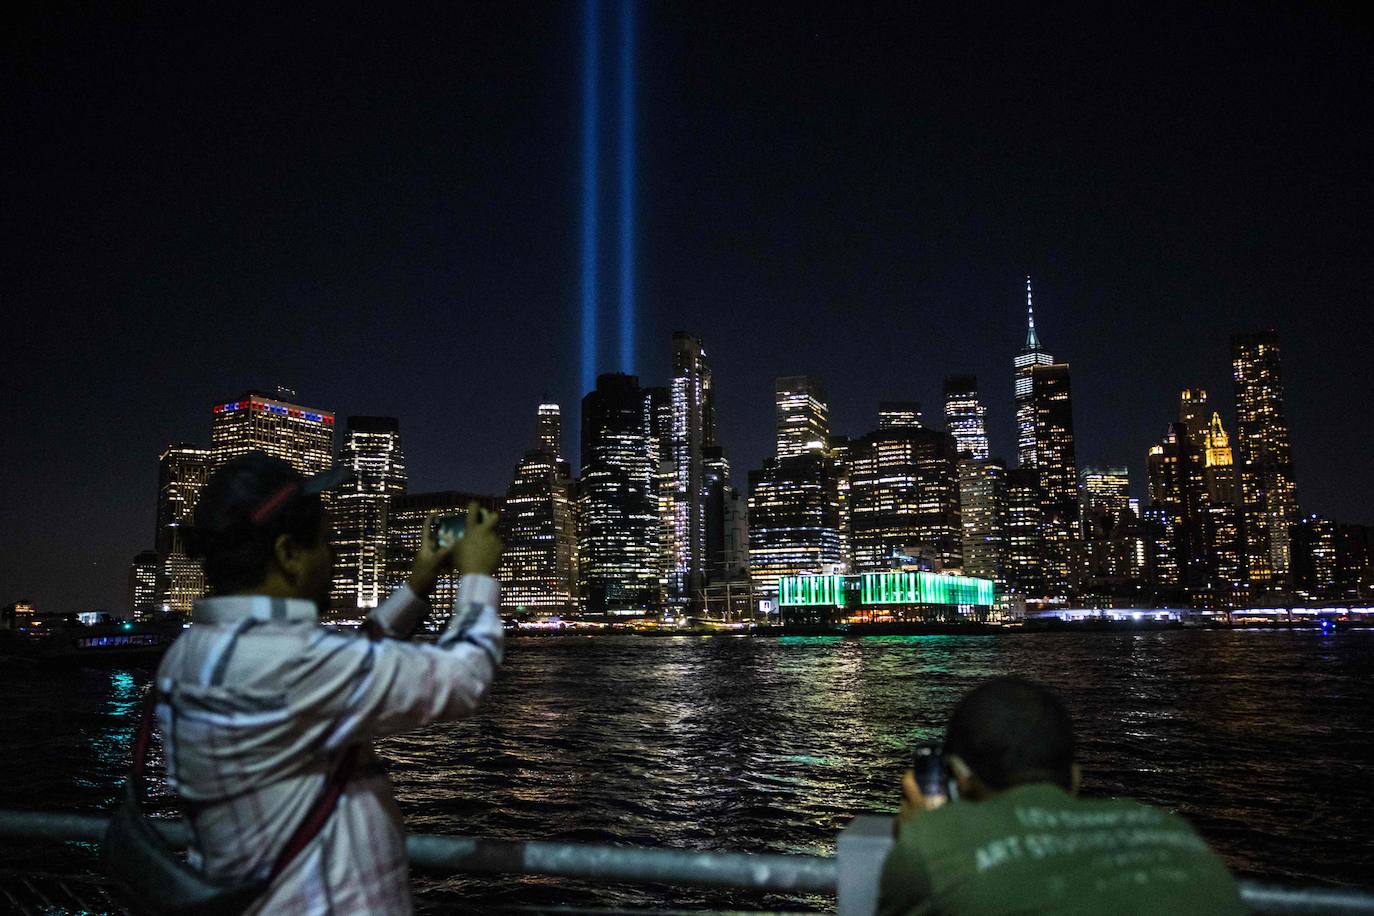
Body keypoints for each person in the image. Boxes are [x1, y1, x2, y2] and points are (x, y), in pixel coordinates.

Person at [155, 452, 504, 914]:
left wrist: (418, 585)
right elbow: (465, 679)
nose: (334, 554)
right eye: (325, 542)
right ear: (288, 554)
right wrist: (477, 576)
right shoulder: (286, 662)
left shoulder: (195, 654)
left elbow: (347, 665)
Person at [878, 677, 1245, 916]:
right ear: (1074, 777)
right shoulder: (1175, 834)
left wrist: (927, 829)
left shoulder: (931, 846)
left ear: (960, 779)